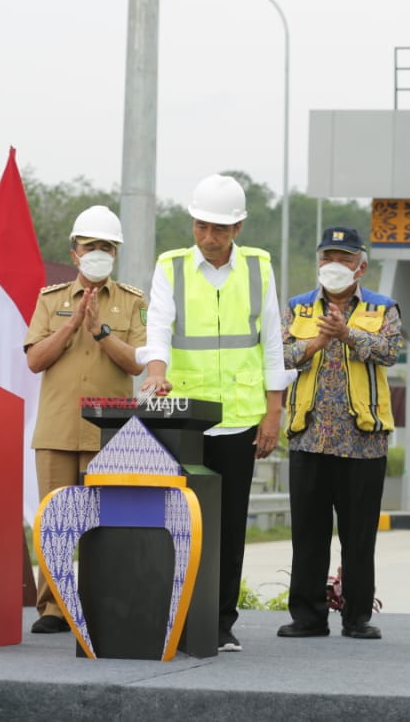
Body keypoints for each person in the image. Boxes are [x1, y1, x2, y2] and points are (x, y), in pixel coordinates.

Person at [137, 173, 294, 653]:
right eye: (202, 226)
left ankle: (222, 622)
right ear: (192, 222)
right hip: (186, 417)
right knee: (178, 520)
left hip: (242, 419)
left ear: (238, 228)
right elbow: (159, 328)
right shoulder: (172, 267)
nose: (209, 238)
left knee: (228, 525)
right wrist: (154, 372)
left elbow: (272, 342)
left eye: (219, 229)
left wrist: (273, 412)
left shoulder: (259, 270)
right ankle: (177, 617)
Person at [23, 206, 147, 634]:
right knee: (55, 521)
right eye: (91, 246)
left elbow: (137, 364)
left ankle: (99, 601)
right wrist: (73, 323)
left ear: (116, 254)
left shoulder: (132, 302)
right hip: (57, 429)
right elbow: (35, 359)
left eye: (107, 247)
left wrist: (101, 333)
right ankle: (54, 608)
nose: (99, 253)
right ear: (74, 253)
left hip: (108, 433)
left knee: (104, 524)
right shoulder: (50, 299)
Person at [276, 227, 404, 641]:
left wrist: (347, 334)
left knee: (358, 535)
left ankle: (357, 617)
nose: (334, 265)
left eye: (343, 258)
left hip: (362, 441)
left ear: (360, 266)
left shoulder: (383, 307)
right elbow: (280, 356)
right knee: (308, 534)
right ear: (317, 262)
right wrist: (316, 342)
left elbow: (389, 351)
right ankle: (307, 617)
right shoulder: (298, 308)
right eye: (327, 257)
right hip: (309, 436)